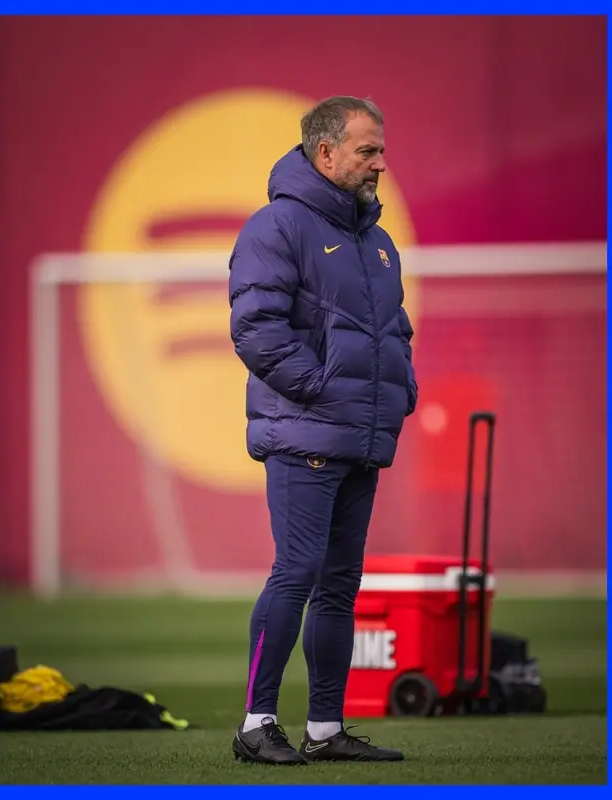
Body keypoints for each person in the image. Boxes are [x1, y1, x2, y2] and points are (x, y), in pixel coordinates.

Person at [226, 96, 417, 765]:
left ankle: (326, 730)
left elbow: (396, 329)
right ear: (325, 152)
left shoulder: (378, 240)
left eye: (381, 150)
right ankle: (255, 724)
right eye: (368, 150)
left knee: (339, 583)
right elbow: (256, 331)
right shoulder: (275, 226)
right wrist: (323, 392)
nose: (380, 164)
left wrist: (401, 393)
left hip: (360, 438)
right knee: (297, 572)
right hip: (306, 434)